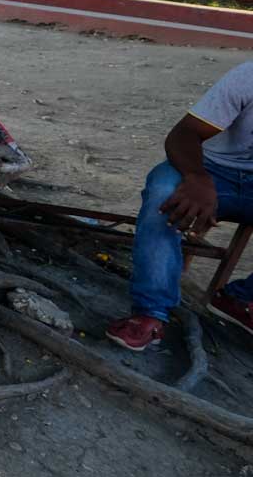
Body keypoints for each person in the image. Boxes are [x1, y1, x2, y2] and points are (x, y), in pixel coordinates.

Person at [107, 62, 253, 350]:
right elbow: (184, 134)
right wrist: (197, 178)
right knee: (163, 192)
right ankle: (150, 313)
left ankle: (242, 299)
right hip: (210, 168)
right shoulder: (247, 77)